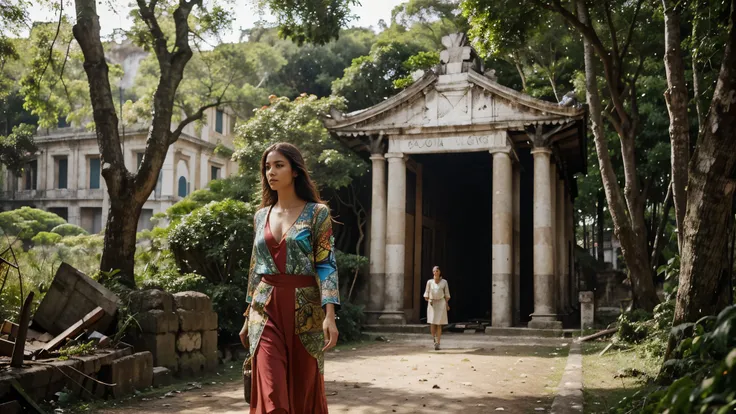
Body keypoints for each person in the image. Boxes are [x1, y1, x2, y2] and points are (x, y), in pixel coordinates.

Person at [239, 142, 340, 414]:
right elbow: (254, 268)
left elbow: (327, 265)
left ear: (295, 171)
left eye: (278, 165)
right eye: (267, 167)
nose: (271, 172)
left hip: (306, 310)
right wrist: (248, 316)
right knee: (273, 397)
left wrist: (329, 314)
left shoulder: (318, 213)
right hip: (265, 308)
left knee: (302, 390)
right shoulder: (261, 216)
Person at [424, 266, 450, 350]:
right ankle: (434, 339)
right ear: (432, 272)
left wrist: (446, 304)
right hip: (432, 303)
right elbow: (426, 294)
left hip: (441, 303)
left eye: (437, 271)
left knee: (439, 324)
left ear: (440, 272)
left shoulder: (444, 282)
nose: (436, 272)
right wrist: (429, 299)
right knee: (432, 322)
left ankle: (438, 342)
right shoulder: (430, 282)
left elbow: (447, 294)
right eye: (434, 271)